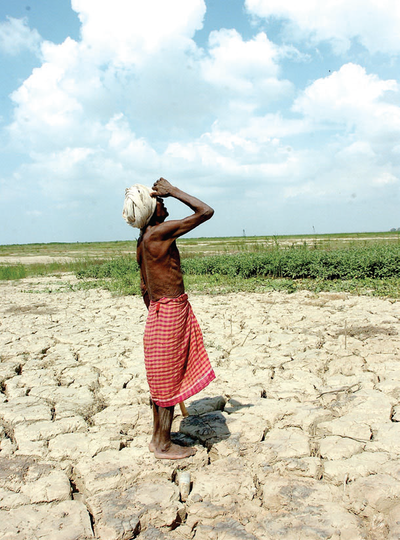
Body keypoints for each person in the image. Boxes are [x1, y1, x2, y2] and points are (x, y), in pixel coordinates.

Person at [122, 178, 215, 459]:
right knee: (168, 379)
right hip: (170, 310)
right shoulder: (158, 233)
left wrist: (158, 311)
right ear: (151, 211)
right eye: (160, 202)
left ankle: (157, 438)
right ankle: (163, 444)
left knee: (162, 377)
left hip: (159, 311)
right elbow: (205, 212)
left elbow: (143, 287)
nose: (164, 205)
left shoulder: (142, 240)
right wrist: (173, 190)